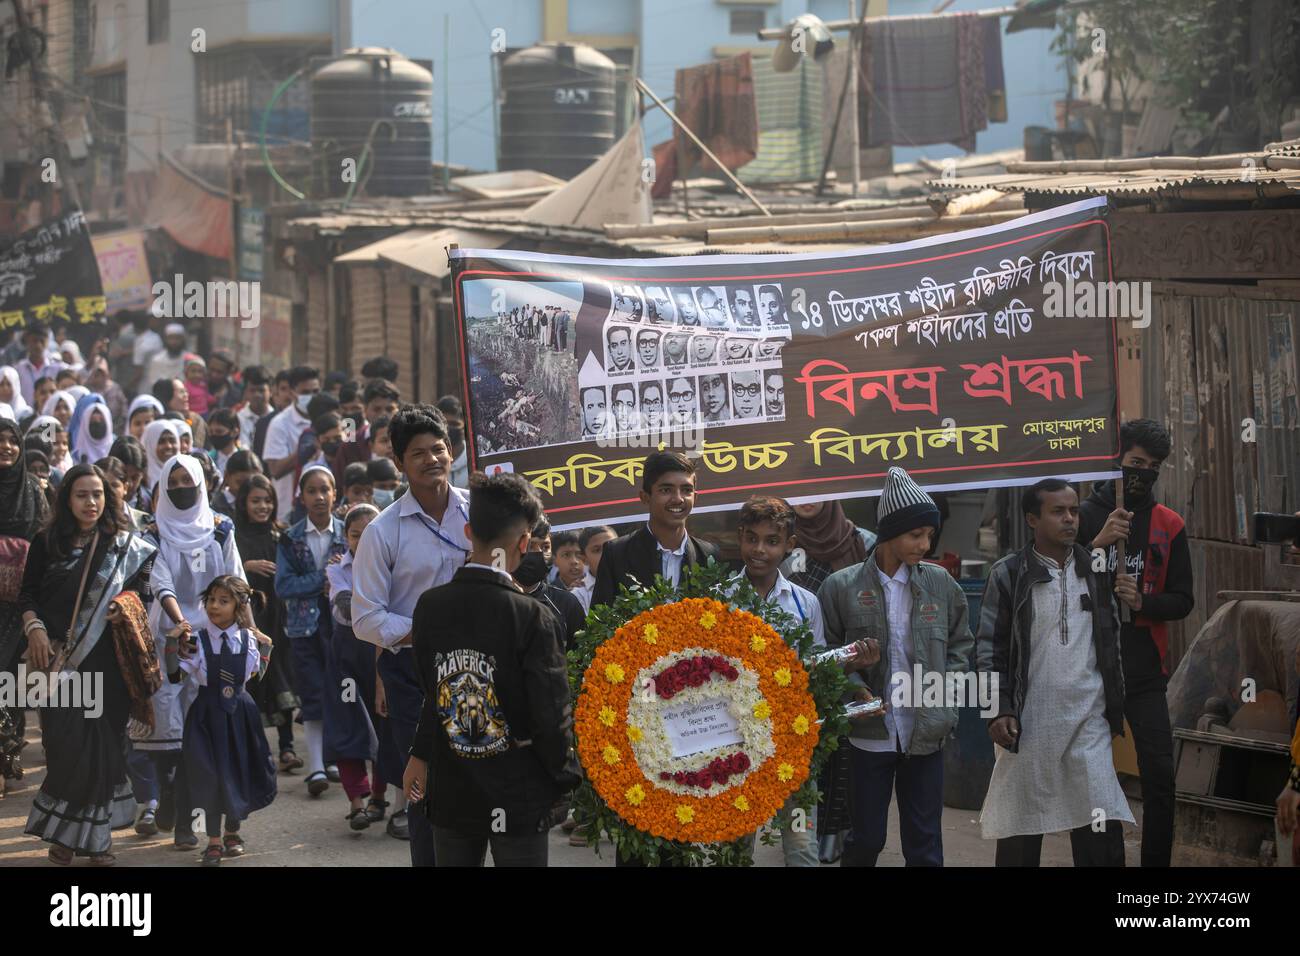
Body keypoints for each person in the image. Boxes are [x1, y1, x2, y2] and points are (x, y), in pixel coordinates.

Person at [404, 471, 579, 867]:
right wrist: (566, 778)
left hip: (453, 789)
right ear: (523, 543)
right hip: (517, 793)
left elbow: (433, 697)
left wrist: (421, 754)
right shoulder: (533, 617)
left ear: (469, 531)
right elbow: (551, 716)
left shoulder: (430, 606)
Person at [819, 466, 973, 867]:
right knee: (866, 839)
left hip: (926, 733)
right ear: (889, 533)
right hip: (870, 734)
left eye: (929, 535)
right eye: (915, 535)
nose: (924, 544)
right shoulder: (842, 587)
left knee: (925, 846)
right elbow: (825, 653)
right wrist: (855, 684)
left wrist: (945, 699)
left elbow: (960, 646)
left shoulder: (941, 585)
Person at [977, 478, 1132, 866]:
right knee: (1021, 827)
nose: (1069, 519)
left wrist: (1115, 704)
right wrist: (999, 709)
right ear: (1032, 518)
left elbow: (1111, 645)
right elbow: (989, 650)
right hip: (1028, 723)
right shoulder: (1009, 573)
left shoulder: (1095, 570)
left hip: (1087, 720)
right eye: (1058, 511)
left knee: (1100, 818)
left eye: (1074, 511)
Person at [20, 463, 157, 864]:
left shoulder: (124, 546)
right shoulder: (47, 542)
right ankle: (68, 834)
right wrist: (35, 629)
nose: (91, 502)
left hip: (107, 665)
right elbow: (27, 595)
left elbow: (142, 591)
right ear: (66, 499)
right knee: (64, 749)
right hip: (59, 664)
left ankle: (88, 840)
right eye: (82, 494)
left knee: (102, 750)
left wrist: (123, 605)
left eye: (98, 494)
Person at [352, 404, 469, 867]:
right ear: (399, 463)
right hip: (410, 677)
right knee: (423, 787)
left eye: (438, 449)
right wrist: (425, 633)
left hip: (478, 670)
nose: (431, 459)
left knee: (475, 784)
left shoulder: (480, 513)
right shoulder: (382, 532)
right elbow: (365, 619)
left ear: (452, 452)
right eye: (417, 453)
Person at [1078, 419, 1192, 868]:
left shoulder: (1169, 524)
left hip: (1146, 670)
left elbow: (1183, 599)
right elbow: (1054, 578)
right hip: (1089, 666)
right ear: (1116, 460)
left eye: (1153, 467)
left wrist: (1143, 600)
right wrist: (1095, 543)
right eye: (1135, 463)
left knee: (1161, 776)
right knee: (1095, 778)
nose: (1142, 474)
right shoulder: (1082, 516)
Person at [136, 453, 245, 849]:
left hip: (215, 640)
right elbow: (160, 582)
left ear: (201, 484)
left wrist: (247, 631)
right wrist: (180, 623)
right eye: (174, 481)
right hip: (168, 641)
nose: (182, 488)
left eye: (189, 480)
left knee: (205, 736)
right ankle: (167, 792)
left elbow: (233, 578)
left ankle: (186, 819)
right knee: (170, 736)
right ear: (164, 487)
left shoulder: (221, 528)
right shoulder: (152, 533)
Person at [732, 495, 825, 866]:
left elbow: (815, 670)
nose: (760, 549)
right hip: (735, 749)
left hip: (793, 749)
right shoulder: (720, 601)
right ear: (739, 537)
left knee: (802, 843)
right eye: (751, 538)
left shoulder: (805, 603)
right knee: (736, 847)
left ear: (789, 546)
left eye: (772, 541)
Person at [174, 574, 276, 865]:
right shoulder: (196, 639)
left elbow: (255, 676)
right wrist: (172, 647)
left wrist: (267, 649)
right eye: (211, 600)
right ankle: (214, 840)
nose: (214, 606)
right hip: (206, 716)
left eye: (223, 601)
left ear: (239, 606)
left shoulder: (248, 639)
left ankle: (233, 833)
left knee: (237, 770)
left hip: (240, 715)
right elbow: (174, 676)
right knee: (209, 775)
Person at [275, 465, 350, 798]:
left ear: (335, 493)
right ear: (301, 497)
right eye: (312, 491)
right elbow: (284, 584)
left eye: (326, 489)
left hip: (340, 624)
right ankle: (317, 765)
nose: (320, 497)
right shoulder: (290, 538)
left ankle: (336, 758)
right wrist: (324, 579)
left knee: (339, 691)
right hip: (304, 627)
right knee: (313, 692)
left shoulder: (348, 532)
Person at [327, 504, 400, 830]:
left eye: (369, 532)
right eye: (355, 534)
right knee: (348, 724)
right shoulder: (337, 569)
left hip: (381, 652)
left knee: (383, 726)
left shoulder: (393, 564)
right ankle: (356, 800)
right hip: (346, 657)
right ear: (346, 537)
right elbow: (346, 609)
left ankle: (379, 797)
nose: (362, 540)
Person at [591, 451, 720, 613]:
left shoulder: (710, 556)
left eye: (686, 490)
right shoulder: (617, 554)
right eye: (666, 490)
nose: (678, 499)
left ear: (696, 497)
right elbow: (599, 626)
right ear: (645, 497)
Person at [233, 473, 301, 773]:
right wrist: (246, 566)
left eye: (267, 500)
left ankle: (287, 747)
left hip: (279, 619)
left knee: (282, 679)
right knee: (254, 681)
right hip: (249, 620)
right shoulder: (235, 537)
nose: (262, 506)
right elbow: (226, 575)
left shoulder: (281, 535)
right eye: (255, 501)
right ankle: (259, 751)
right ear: (244, 503)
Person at [0, 416, 50, 793]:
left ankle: (7, 752)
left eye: (12, 441)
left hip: (21, 604)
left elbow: (46, 542)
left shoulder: (33, 489)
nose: (6, 447)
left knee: (12, 682)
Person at [514, 520, 585, 650]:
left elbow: (580, 661)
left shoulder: (567, 603)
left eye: (545, 547)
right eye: (530, 546)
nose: (539, 553)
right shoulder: (494, 602)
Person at [263, 366, 321, 522]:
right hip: (288, 511)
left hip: (324, 509)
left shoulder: (336, 419)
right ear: (292, 392)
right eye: (305, 393)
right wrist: (306, 450)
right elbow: (275, 470)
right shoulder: (279, 424)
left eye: (315, 391)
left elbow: (348, 449)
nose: (311, 397)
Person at [15, 323, 70, 407]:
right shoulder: (18, 369)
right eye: (34, 341)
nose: (38, 345)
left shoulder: (59, 368)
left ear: (47, 342)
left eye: (42, 341)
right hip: (26, 415)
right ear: (27, 342)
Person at [141, 419, 181, 501]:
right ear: (150, 444)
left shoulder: (185, 473)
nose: (168, 446)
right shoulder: (141, 478)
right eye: (161, 441)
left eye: (172, 440)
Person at [551, 531, 590, 612]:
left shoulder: (596, 585)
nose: (574, 561)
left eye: (578, 554)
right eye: (566, 555)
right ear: (554, 560)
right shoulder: (550, 594)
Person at [234, 365, 272, 448]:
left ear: (270, 391)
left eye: (261, 390)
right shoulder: (239, 419)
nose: (257, 395)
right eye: (252, 390)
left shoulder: (277, 419)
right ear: (246, 392)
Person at [435, 395, 469, 488]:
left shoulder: (473, 461)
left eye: (455, 424)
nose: (450, 429)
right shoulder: (430, 460)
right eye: (445, 424)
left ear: (464, 425)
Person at [70, 399, 113, 465]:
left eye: (101, 421)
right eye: (93, 423)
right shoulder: (75, 458)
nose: (97, 426)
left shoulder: (116, 452)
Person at [206, 408, 242, 478]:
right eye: (211, 432)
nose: (214, 435)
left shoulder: (245, 460)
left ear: (234, 432)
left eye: (219, 431)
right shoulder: (208, 460)